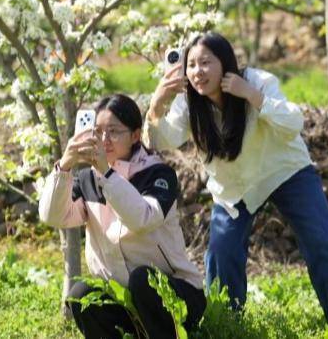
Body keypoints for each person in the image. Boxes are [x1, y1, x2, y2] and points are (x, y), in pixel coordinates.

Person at [144, 31, 328, 327]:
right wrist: (157, 105)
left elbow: (294, 122)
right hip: (235, 189)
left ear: (225, 62)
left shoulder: (257, 81)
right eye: (191, 65)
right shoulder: (189, 101)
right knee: (222, 254)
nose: (197, 72)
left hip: (286, 172)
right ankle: (227, 327)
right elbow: (163, 140)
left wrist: (250, 94)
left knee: (324, 243)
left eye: (205, 62)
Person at [39, 94, 206, 339]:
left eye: (114, 131)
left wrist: (106, 173)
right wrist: (64, 166)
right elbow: (52, 216)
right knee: (80, 294)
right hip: (125, 300)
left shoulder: (158, 174)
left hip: (177, 294)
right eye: (98, 131)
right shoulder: (87, 179)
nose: (104, 139)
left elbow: (141, 220)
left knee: (143, 280)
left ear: (135, 136)